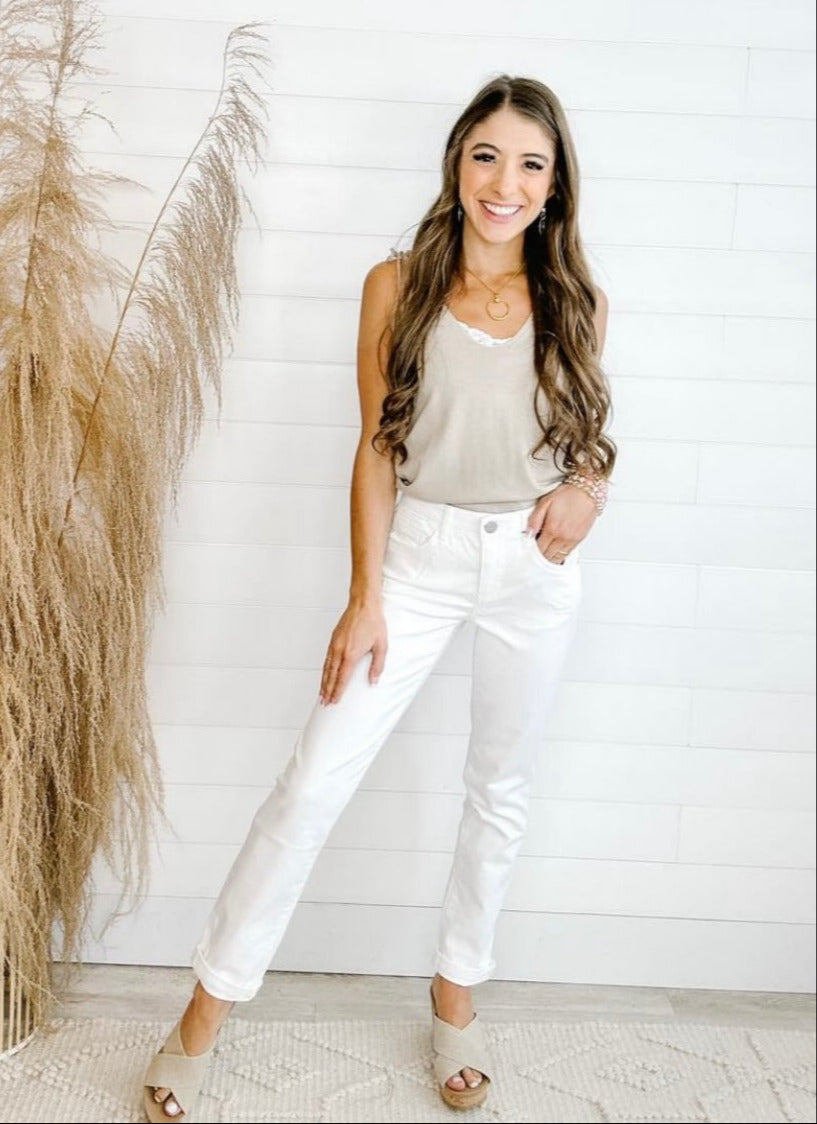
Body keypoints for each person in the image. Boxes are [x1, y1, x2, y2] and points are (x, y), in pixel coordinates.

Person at [142, 73, 615, 1121]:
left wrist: (587, 490)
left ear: (554, 184)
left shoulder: (574, 299)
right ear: (457, 160)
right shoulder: (394, 283)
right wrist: (365, 596)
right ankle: (201, 1019)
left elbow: (586, 441)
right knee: (312, 782)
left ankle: (454, 1003)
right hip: (419, 558)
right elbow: (374, 445)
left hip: (532, 572)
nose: (505, 180)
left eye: (530, 162)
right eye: (487, 153)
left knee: (499, 789)